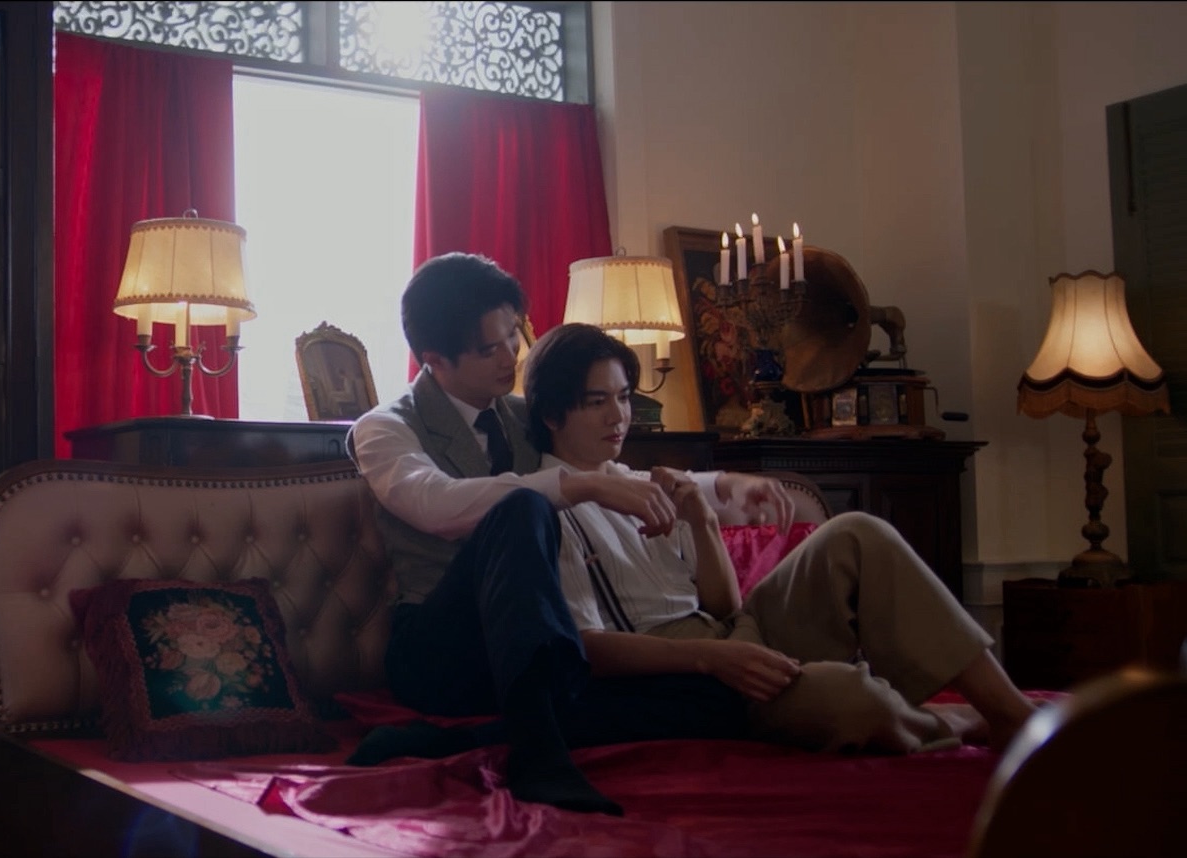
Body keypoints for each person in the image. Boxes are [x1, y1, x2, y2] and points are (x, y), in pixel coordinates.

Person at [344, 253, 799, 816]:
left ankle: (451, 741)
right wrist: (578, 486)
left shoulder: (521, 413)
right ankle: (539, 759)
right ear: (434, 359)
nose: (511, 357)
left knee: (714, 697)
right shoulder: (385, 428)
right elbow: (433, 503)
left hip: (531, 646)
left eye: (513, 336)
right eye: (489, 349)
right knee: (521, 510)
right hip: (445, 648)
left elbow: (618, 473)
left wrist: (725, 486)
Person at [522, 322, 1040, 754]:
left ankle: (1011, 713)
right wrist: (710, 658)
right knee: (852, 701)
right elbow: (585, 648)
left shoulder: (644, 483)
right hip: (684, 676)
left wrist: (702, 520)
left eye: (623, 397)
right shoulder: (544, 511)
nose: (618, 416)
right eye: (597, 402)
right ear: (551, 414)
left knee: (857, 532)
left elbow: (725, 608)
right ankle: (955, 720)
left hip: (733, 632)